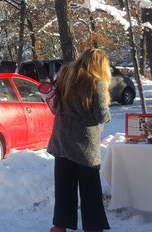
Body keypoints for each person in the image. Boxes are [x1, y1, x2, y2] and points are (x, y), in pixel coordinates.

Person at [48, 48, 111, 232]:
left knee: (64, 188)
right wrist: (107, 116)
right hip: (85, 144)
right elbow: (101, 115)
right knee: (90, 189)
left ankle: (59, 226)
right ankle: (93, 226)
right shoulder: (95, 81)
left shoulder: (64, 75)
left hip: (61, 139)